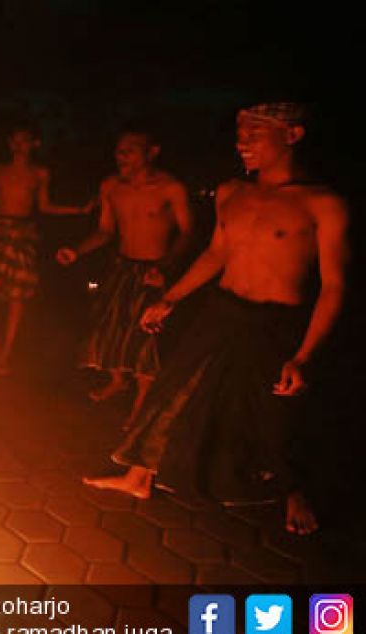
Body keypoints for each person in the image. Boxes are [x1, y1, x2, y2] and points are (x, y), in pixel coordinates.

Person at [84, 103, 349, 536]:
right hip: (222, 310)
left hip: (276, 321)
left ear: (293, 135)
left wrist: (303, 355)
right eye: (240, 133)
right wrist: (170, 298)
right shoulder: (232, 192)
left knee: (271, 411)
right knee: (173, 389)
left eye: (255, 134)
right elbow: (216, 253)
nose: (241, 142)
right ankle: (138, 478)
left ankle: (292, 490)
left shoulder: (322, 203)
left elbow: (334, 285)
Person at [57, 130, 193, 428]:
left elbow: (187, 232)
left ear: (152, 151)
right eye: (119, 150)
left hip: (154, 272)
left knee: (146, 339)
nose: (122, 156)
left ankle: (140, 405)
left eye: (131, 150)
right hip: (122, 267)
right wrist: (76, 251)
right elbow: (106, 231)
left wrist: (166, 267)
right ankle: (118, 381)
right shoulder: (111, 186)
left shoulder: (170, 188)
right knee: (110, 327)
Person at [0, 124, 90, 375]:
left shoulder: (39, 174)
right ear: (9, 143)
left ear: (34, 144)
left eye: (24, 140)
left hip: (22, 231)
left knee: (18, 293)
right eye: (14, 140)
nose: (19, 145)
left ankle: (6, 349)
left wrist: (77, 210)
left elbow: (45, 206)